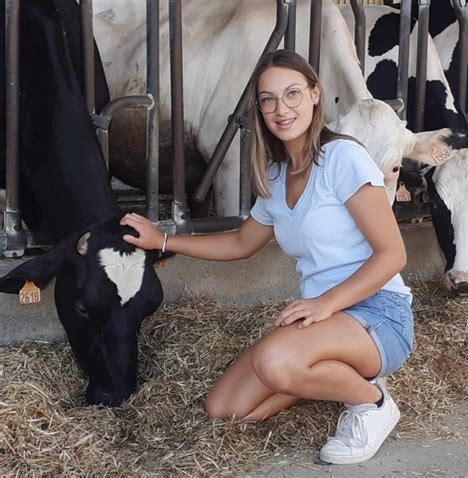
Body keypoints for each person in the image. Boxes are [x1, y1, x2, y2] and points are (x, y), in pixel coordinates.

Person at [120, 49, 414, 465]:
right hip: (325, 320)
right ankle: (315, 370)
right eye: (268, 99)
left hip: (379, 314)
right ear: (258, 108)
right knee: (225, 409)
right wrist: (162, 241)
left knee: (274, 363)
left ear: (316, 94)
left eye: (293, 93)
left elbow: (393, 255)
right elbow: (241, 244)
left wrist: (323, 303)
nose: (281, 109)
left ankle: (373, 402)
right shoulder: (276, 178)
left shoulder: (343, 159)